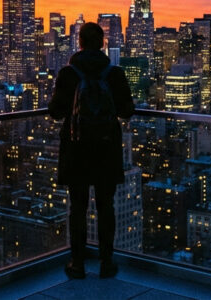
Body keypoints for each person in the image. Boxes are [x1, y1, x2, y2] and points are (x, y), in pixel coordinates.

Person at [48, 22, 135, 279]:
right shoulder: (114, 73)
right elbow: (127, 110)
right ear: (103, 43)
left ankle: (77, 264)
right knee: (106, 206)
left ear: (80, 42)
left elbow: (55, 112)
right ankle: (107, 263)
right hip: (106, 149)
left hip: (77, 148)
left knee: (78, 207)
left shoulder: (68, 73)